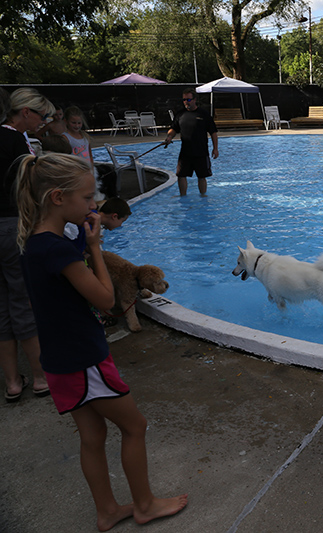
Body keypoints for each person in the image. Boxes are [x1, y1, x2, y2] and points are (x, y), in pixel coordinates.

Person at [15, 152, 188, 531]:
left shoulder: (34, 243)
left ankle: (107, 510)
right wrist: (95, 247)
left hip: (57, 357)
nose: (94, 205)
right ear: (58, 198)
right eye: (88, 197)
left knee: (92, 436)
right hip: (84, 358)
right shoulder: (61, 250)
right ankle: (144, 504)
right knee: (135, 426)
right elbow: (107, 301)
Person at [0, 87, 54, 402]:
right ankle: (39, 376)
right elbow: (32, 187)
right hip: (10, 227)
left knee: (2, 305)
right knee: (22, 300)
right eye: (41, 115)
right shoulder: (15, 141)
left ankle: (11, 382)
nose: (42, 122)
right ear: (25, 112)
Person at [163, 88, 219, 196]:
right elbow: (174, 128)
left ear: (194, 100)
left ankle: (203, 197)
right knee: (181, 175)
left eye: (188, 100)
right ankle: (183, 197)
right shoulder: (180, 114)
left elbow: (213, 132)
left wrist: (215, 148)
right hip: (185, 152)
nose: (186, 102)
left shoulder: (204, 114)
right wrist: (169, 137)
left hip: (201, 152)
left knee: (201, 177)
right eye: (184, 100)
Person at [62, 106, 95, 170]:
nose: (77, 126)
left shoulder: (85, 136)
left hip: (87, 169)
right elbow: (64, 158)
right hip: (75, 170)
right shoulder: (65, 138)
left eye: (79, 123)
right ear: (66, 121)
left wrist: (92, 168)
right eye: (73, 123)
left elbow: (90, 155)